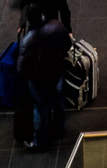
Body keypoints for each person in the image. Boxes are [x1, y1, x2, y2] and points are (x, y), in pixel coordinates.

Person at [17, 12, 71, 151]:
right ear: (41, 15)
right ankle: (60, 130)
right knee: (58, 102)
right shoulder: (55, 26)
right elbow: (67, 44)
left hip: (38, 80)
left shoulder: (28, 40)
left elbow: (21, 67)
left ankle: (40, 143)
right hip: (56, 72)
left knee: (40, 108)